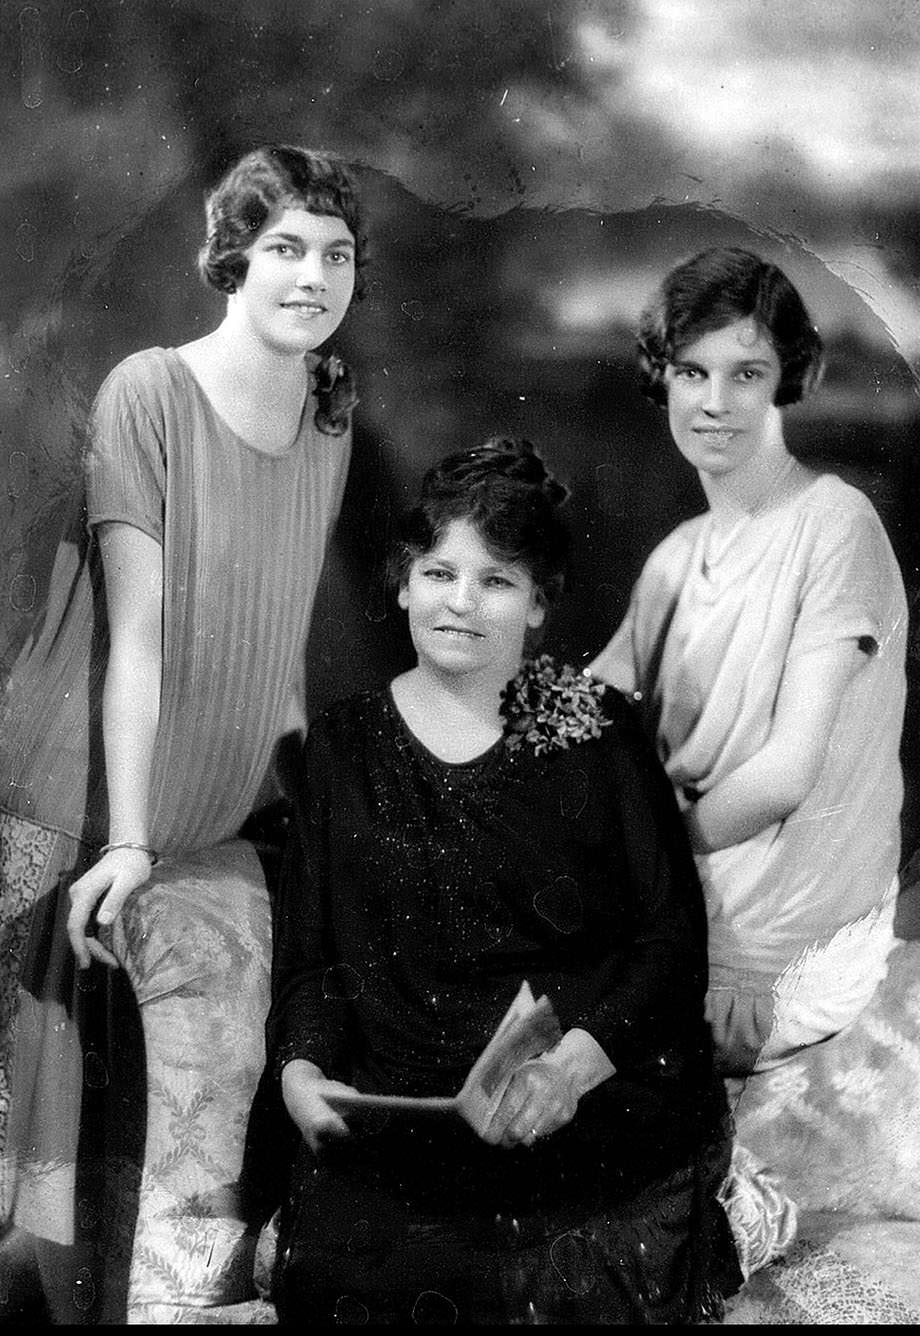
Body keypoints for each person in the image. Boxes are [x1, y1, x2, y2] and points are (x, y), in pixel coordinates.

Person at [0, 143, 367, 1319]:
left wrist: (312, 815)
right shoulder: (146, 392)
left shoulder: (328, 410)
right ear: (230, 261)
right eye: (283, 250)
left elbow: (284, 624)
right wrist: (133, 842)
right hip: (88, 791)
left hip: (218, 795)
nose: (312, 277)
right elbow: (140, 641)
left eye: (336, 253)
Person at [265, 439, 742, 1325]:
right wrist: (300, 1073)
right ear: (402, 584)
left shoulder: (598, 728)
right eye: (439, 572)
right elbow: (311, 964)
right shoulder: (340, 746)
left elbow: (670, 947)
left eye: (496, 581)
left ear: (537, 606)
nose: (460, 602)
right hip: (406, 1125)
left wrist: (569, 1069)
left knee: (556, 1283)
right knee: (352, 1278)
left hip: (582, 1107)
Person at [590, 246, 908, 1077]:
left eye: (747, 373)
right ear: (664, 381)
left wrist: (636, 868)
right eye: (692, 374)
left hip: (777, 951)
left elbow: (786, 773)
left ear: (787, 380)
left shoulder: (835, 522)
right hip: (686, 910)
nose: (715, 403)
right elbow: (572, 725)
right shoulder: (676, 558)